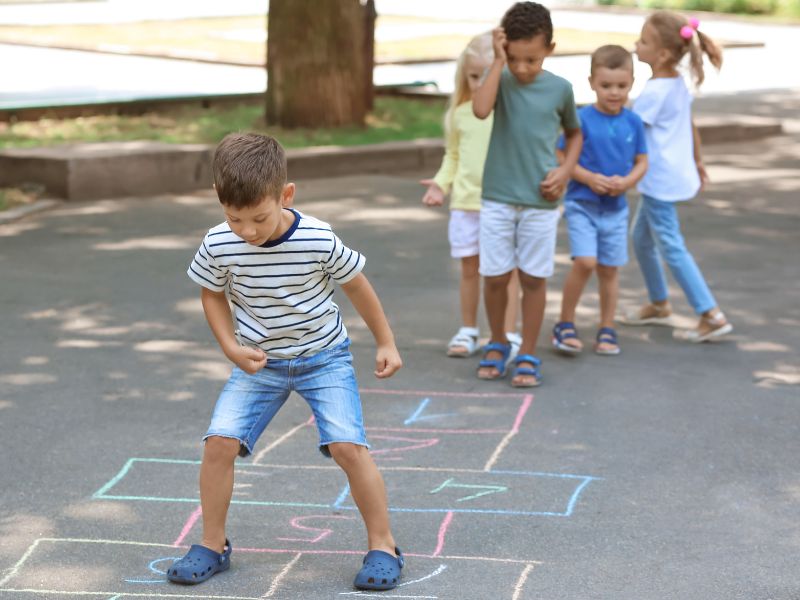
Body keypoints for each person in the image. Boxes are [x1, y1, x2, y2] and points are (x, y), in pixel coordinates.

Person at [169, 133, 404, 591]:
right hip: (260, 361)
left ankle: (383, 545)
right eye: (235, 218)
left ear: (286, 195)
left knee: (346, 447)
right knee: (219, 442)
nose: (249, 231)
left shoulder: (317, 237)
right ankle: (212, 545)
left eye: (259, 217)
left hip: (324, 357)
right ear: (220, 202)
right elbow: (212, 293)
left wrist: (386, 341)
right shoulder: (220, 242)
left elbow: (357, 285)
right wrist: (230, 347)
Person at [472, 1, 582, 387]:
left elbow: (574, 134)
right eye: (515, 58)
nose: (522, 68)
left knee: (534, 278)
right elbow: (481, 110)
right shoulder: (499, 77)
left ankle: (529, 351)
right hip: (498, 197)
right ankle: (498, 341)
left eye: (531, 60)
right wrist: (498, 61)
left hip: (541, 201)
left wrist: (566, 171)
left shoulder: (560, 89)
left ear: (550, 49)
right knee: (496, 276)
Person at [620, 10, 733, 342]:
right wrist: (698, 160)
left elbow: (630, 133)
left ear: (663, 53)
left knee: (670, 244)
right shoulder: (674, 83)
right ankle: (659, 303)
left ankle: (710, 314)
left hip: (660, 179)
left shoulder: (655, 92)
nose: (636, 45)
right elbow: (688, 124)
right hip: (669, 174)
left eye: (642, 41)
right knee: (641, 239)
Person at [421, 32, 521, 358]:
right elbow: (453, 156)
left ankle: (506, 331)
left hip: (502, 204)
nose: (479, 83)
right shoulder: (461, 114)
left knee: (507, 273)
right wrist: (440, 185)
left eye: (487, 75)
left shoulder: (511, 112)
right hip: (466, 204)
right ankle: (468, 329)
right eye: (473, 76)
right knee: (469, 270)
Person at [552, 45, 648, 356]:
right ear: (592, 82)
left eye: (621, 86)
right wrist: (588, 178)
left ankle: (607, 327)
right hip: (582, 205)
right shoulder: (580, 119)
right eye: (606, 85)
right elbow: (561, 154)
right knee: (586, 262)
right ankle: (565, 322)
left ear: (631, 82)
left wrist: (628, 183)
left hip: (616, 209)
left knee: (609, 270)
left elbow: (642, 161)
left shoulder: (633, 122)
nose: (614, 92)